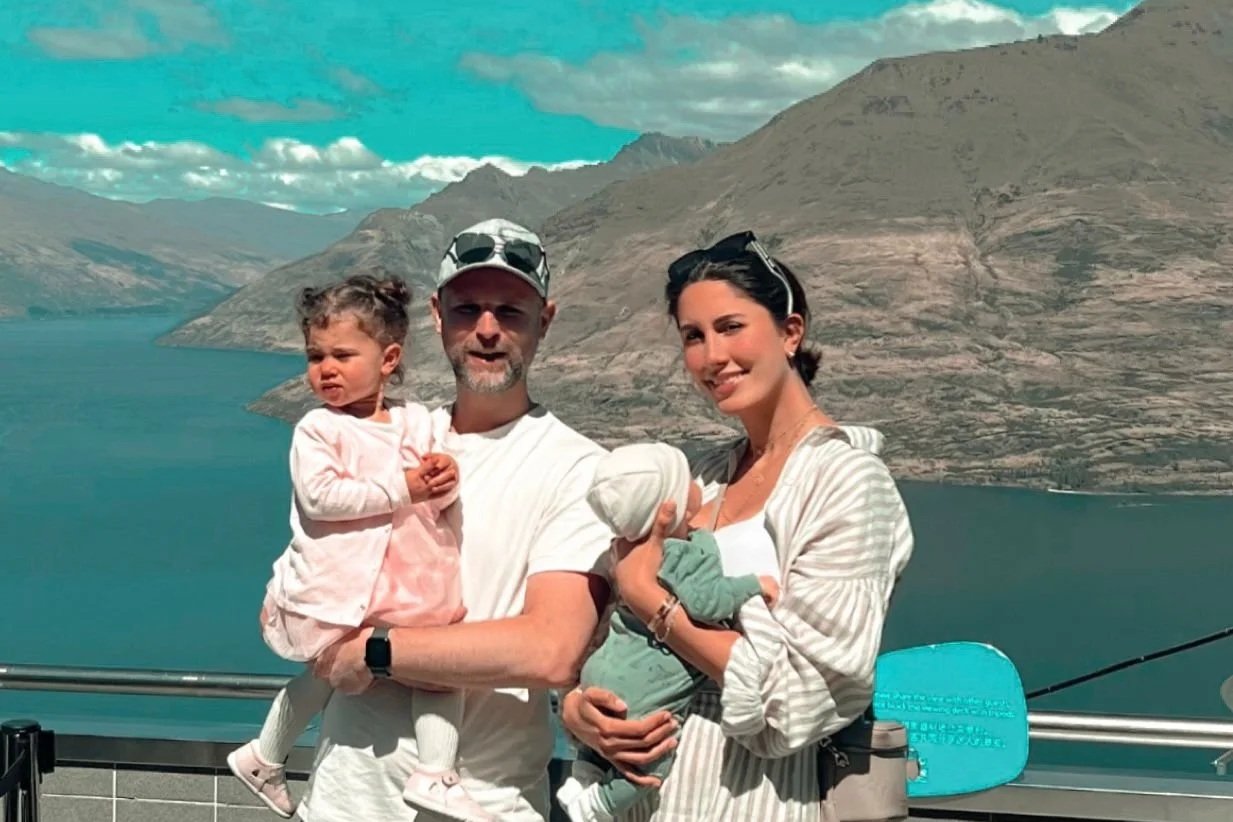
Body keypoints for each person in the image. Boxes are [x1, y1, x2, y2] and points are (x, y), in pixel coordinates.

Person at [559, 231, 915, 821]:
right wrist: (576, 710)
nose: (711, 356)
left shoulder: (848, 484)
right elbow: (599, 637)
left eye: (730, 327)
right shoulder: (702, 477)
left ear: (790, 331)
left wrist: (657, 605)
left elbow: (802, 699)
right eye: (693, 337)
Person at [300, 218, 614, 821]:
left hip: (483, 807)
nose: (488, 330)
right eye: (468, 309)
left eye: (511, 312)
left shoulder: (579, 469)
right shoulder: (393, 437)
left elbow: (550, 649)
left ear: (544, 321)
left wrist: (375, 651)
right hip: (341, 800)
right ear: (438, 316)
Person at [227, 274, 490, 820]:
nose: (325, 369)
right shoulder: (318, 429)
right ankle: (433, 773)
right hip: (349, 583)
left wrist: (445, 478)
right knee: (419, 673)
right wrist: (405, 487)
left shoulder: (416, 420)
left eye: (342, 355)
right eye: (315, 355)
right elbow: (321, 498)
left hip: (404, 579)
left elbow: (437, 490)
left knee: (408, 669)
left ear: (388, 358)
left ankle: (265, 754)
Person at [558, 442, 780, 822]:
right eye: (689, 481)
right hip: (646, 692)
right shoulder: (684, 554)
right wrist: (752, 585)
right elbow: (708, 602)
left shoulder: (622, 552)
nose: (700, 486)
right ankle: (599, 803)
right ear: (670, 509)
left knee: (604, 739)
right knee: (650, 766)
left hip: (599, 673)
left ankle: (584, 775)